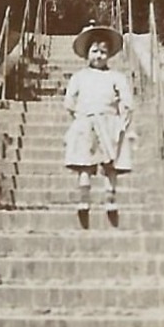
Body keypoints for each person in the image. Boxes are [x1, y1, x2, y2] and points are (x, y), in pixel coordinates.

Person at [64, 24, 134, 227]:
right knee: (85, 163)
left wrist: (122, 121)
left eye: (103, 52)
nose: (99, 55)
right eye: (95, 51)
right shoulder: (79, 77)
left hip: (110, 122)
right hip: (86, 122)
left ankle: (110, 199)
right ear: (87, 53)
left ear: (109, 55)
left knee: (110, 164)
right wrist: (77, 116)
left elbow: (127, 101)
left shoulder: (115, 77)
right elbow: (69, 100)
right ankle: (83, 200)